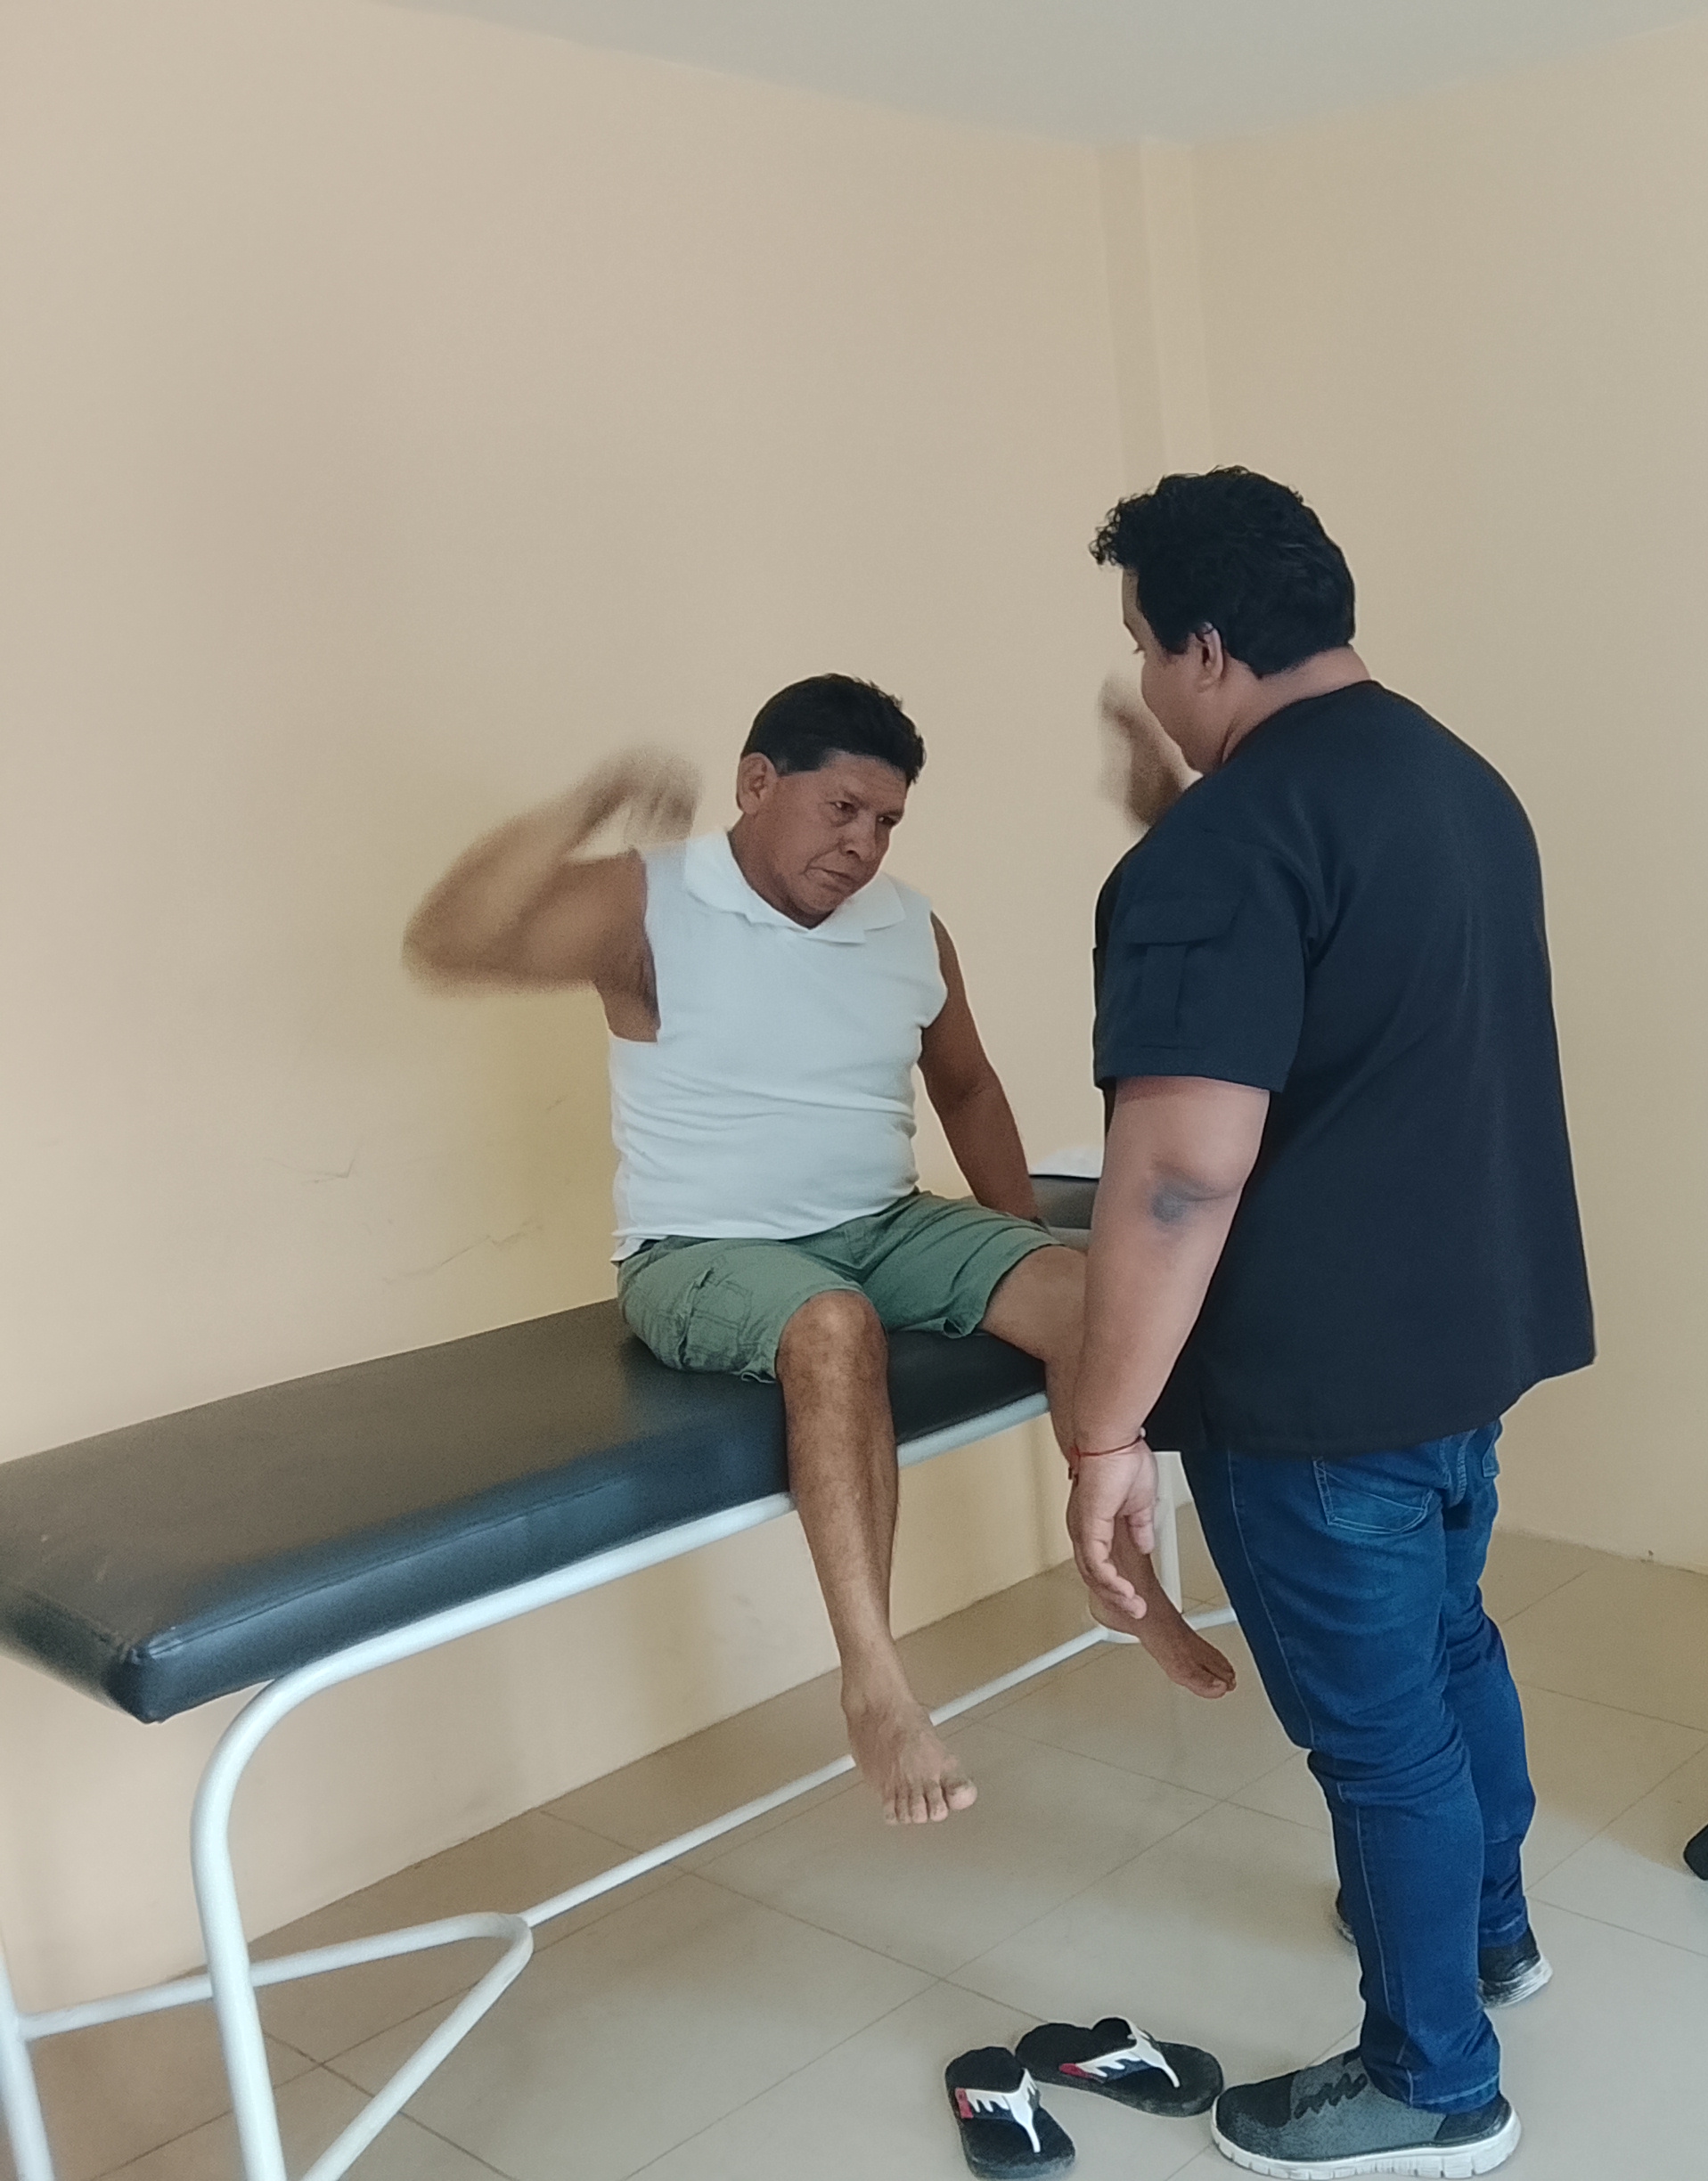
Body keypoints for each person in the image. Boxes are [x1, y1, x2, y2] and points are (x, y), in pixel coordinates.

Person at [403, 674, 1232, 1826]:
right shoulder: (649, 901)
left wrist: (1015, 1236)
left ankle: (1116, 1572)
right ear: (757, 784)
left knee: (1097, 1292)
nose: (863, 844)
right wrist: (595, 798)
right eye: (841, 809)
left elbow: (967, 1087)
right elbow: (449, 942)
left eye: (886, 820)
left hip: (884, 1223)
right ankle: (874, 1680)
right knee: (830, 1328)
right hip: (701, 1247)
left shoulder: (909, 926)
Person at [1059, 470, 1592, 2180]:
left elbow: (1173, 1176)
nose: (1148, 683)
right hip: (1457, 1343)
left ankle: (1435, 2084)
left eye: (1146, 647)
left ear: (1207, 646)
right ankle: (1490, 1929)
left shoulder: (1222, 844)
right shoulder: (1456, 782)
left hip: (1314, 1391)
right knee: (1448, 1651)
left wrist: (1101, 1429)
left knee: (1378, 1739)